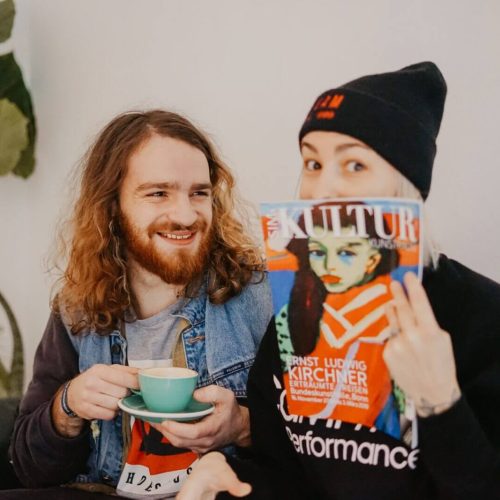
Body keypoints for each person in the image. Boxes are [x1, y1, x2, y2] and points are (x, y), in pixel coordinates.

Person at [178, 62, 500, 499]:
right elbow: (285, 475)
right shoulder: (296, 311)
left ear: (406, 183)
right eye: (313, 162)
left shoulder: (481, 317)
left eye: (354, 164)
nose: (321, 189)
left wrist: (439, 402)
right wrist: (227, 479)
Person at [9, 110, 272, 497]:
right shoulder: (77, 308)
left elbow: (320, 452)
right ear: (112, 205)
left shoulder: (261, 296)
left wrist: (243, 426)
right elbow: (28, 467)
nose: (186, 215)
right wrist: (68, 406)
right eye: (158, 193)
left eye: (199, 193)